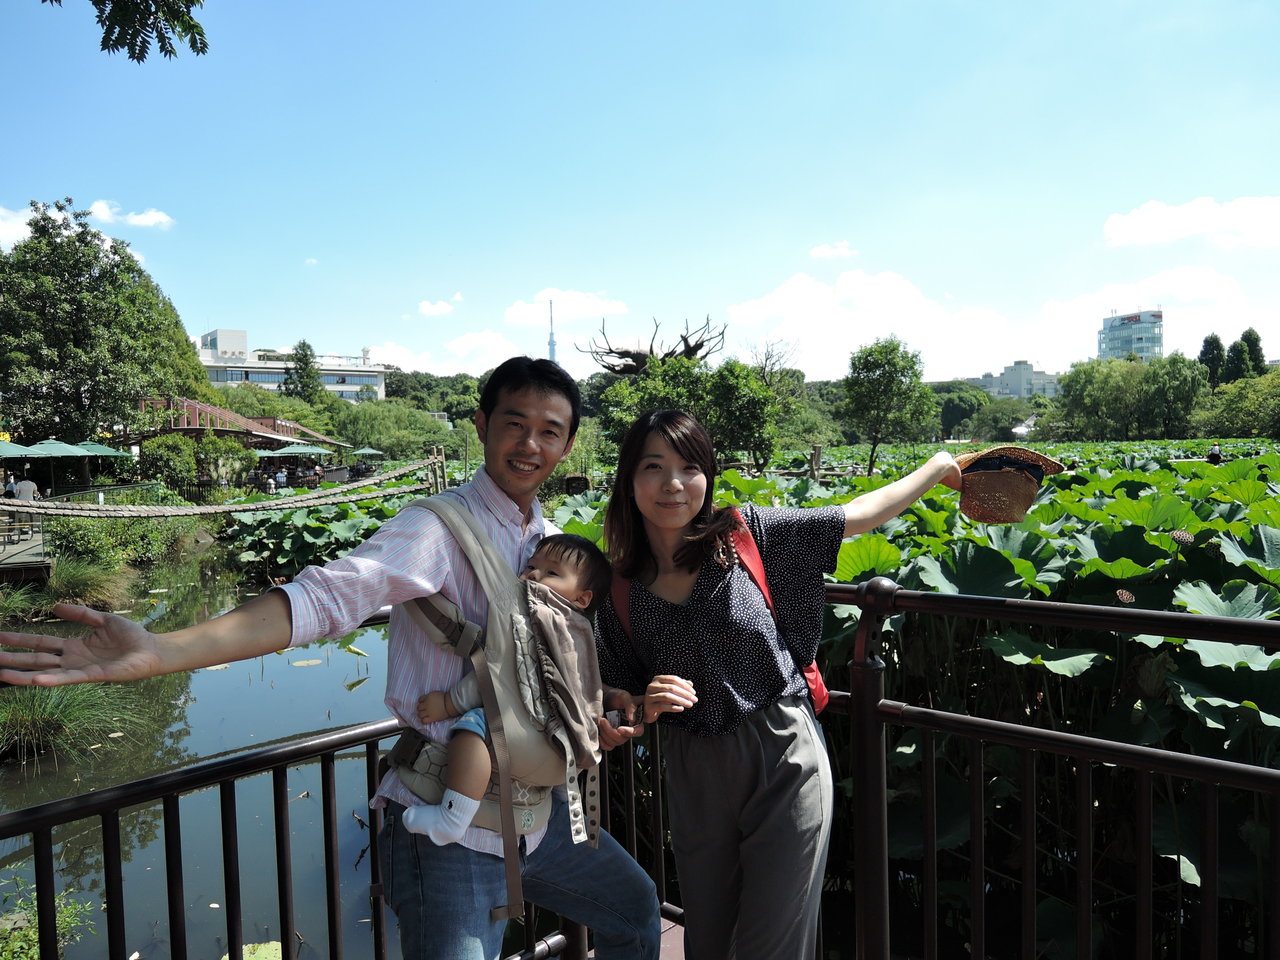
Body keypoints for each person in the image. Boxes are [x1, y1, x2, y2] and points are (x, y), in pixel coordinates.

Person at [0, 357, 660, 960]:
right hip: (444, 827)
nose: (531, 444)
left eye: (550, 431)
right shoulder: (434, 530)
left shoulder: (551, 543)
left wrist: (601, 705)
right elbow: (325, 599)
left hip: (535, 813)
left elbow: (547, 667)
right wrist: (165, 649)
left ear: (567, 443)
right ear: (482, 424)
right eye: (515, 424)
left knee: (634, 910)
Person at [595, 409, 961, 960]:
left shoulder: (747, 534)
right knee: (710, 943)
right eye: (654, 467)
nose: (673, 484)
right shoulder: (615, 588)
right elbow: (618, 698)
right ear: (629, 479)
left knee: (774, 945)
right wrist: (640, 706)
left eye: (689, 467)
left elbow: (855, 515)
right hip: (694, 765)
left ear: (708, 476)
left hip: (783, 750)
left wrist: (936, 465)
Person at [409, 533, 612, 846]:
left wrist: (449, 703)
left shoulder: (534, 617)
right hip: (570, 758)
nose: (533, 575)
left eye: (552, 573)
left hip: (526, 745)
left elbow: (495, 674)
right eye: (531, 566)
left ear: (583, 598)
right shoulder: (580, 630)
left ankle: (452, 817)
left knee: (474, 728)